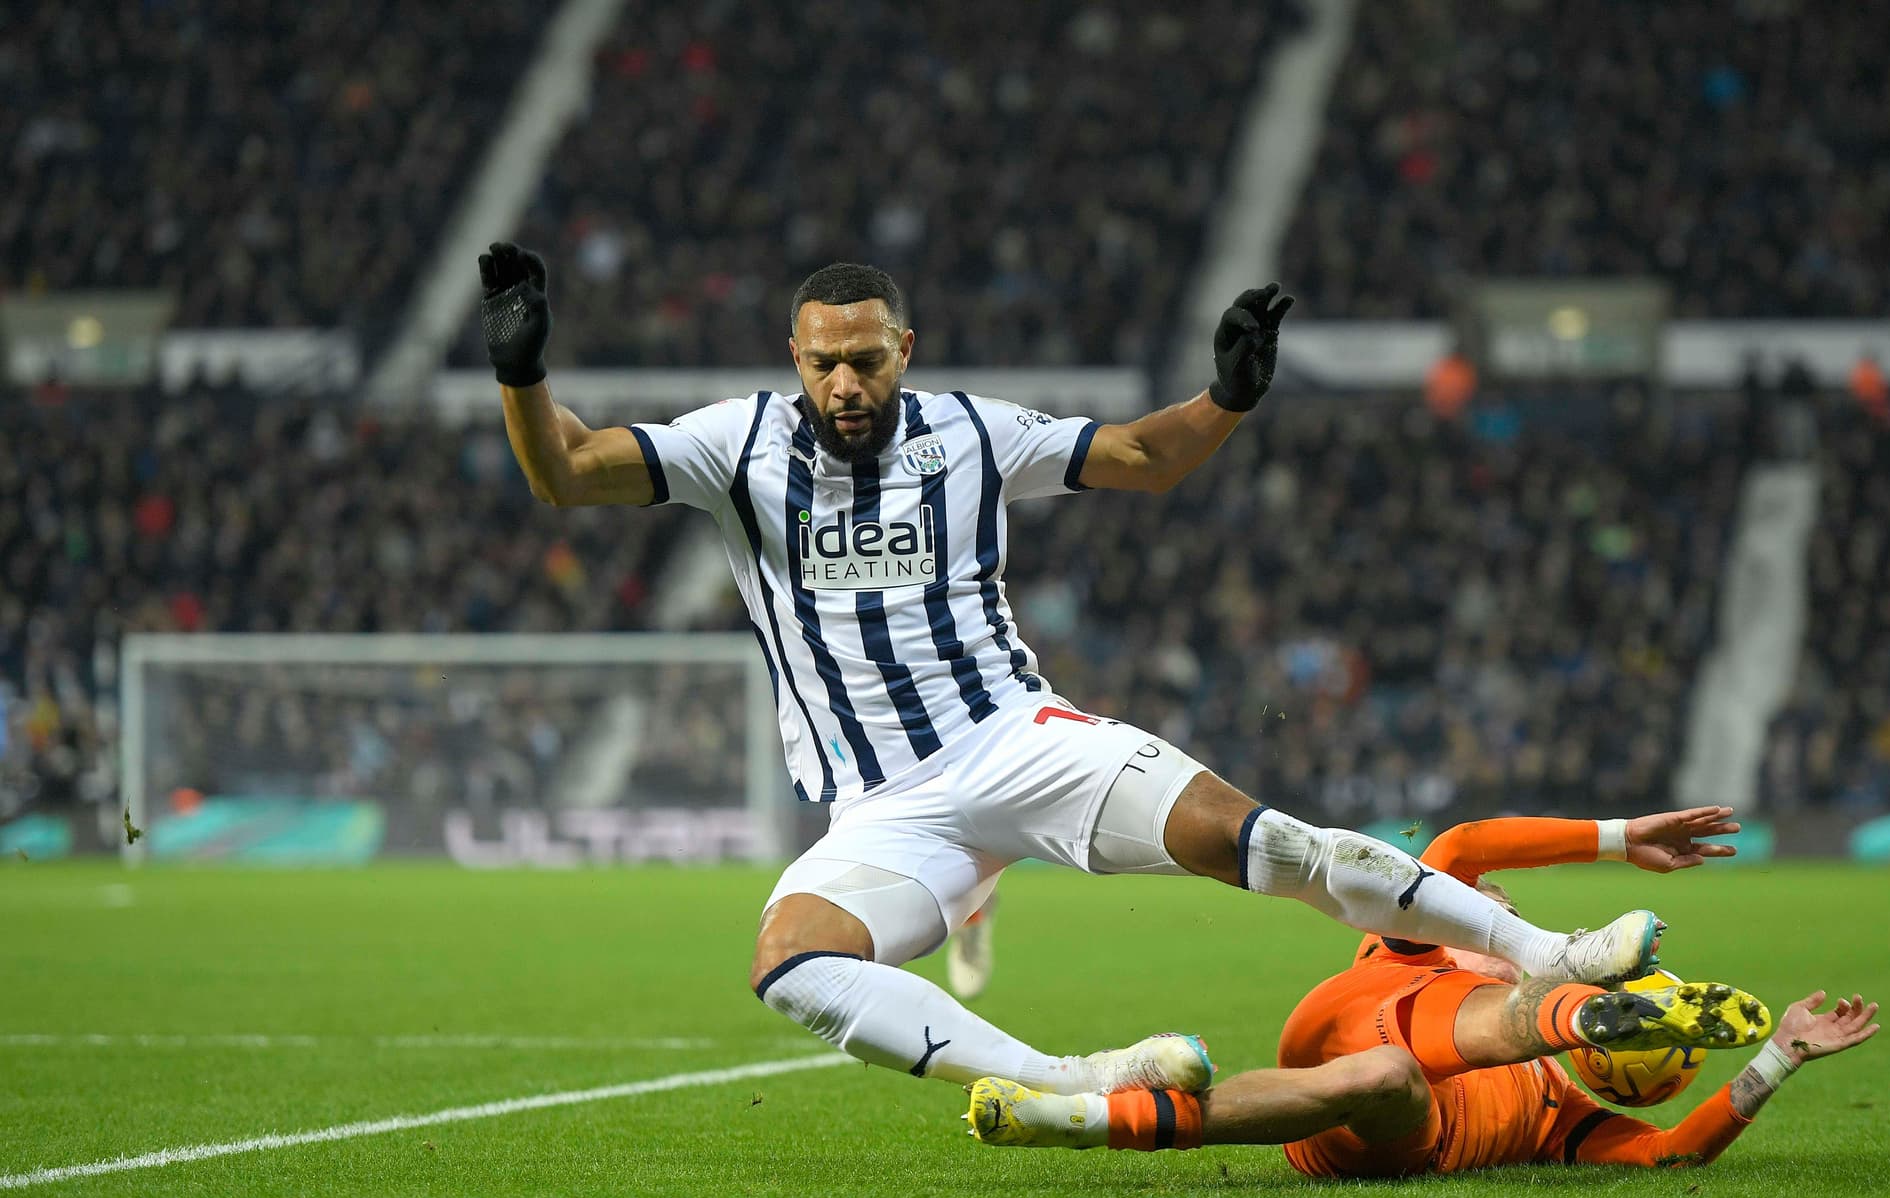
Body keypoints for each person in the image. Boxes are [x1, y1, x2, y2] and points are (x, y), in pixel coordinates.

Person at [479, 242, 1679, 1098]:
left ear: (906, 348)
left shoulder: (971, 429)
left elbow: (1146, 456)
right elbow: (566, 470)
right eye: (823, 363)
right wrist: (524, 380)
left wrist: (1226, 400)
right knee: (792, 964)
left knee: (1264, 842)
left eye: (866, 360)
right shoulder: (731, 444)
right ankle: (1066, 1080)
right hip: (884, 808)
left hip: (1019, 736)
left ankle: (1550, 954)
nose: (845, 386)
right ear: (792, 355)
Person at [966, 810, 1867, 1175]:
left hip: (1375, 1120)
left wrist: (1779, 1058)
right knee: (1442, 988)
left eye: (1494, 906)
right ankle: (1575, 1008)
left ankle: (1074, 1118)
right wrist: (1616, 834)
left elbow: (1670, 1154)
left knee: (1391, 1074)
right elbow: (1467, 844)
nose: (1485, 904)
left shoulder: (1569, 1124)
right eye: (1484, 904)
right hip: (1355, 1010)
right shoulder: (1425, 930)